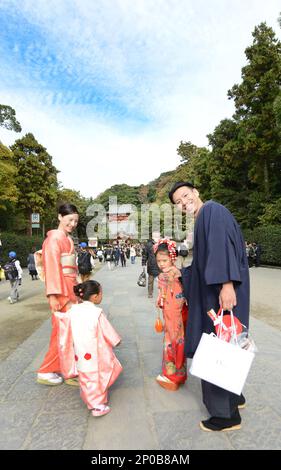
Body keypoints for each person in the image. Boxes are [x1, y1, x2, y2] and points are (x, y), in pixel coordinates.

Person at [167, 181, 249, 432]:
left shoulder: (211, 211)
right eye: (178, 203)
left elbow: (221, 252)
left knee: (217, 345)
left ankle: (226, 415)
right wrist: (181, 273)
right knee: (229, 341)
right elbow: (205, 262)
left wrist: (226, 284)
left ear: (196, 192)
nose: (183, 203)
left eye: (185, 195)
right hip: (218, 289)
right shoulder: (205, 216)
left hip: (222, 290)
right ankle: (234, 397)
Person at [37, 203, 80, 387]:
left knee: (69, 331)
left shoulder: (67, 239)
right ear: (59, 217)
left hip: (70, 285)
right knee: (61, 331)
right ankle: (46, 370)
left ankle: (69, 369)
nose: (73, 223)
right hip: (61, 288)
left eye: (76, 220)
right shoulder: (54, 238)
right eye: (70, 219)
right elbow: (52, 267)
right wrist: (53, 295)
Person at [69, 280, 123, 417]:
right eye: (101, 293)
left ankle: (89, 398)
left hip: (79, 349)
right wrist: (116, 340)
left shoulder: (73, 310)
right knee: (98, 376)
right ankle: (97, 406)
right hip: (94, 350)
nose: (101, 296)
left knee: (85, 374)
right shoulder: (96, 313)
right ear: (94, 297)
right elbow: (107, 330)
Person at [154, 239, 188, 391]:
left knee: (170, 342)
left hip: (171, 313)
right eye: (159, 260)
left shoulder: (164, 276)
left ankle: (171, 377)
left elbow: (165, 296)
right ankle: (180, 374)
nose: (161, 264)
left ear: (172, 258)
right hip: (179, 312)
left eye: (164, 260)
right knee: (180, 341)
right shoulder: (178, 271)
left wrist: (161, 300)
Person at [142, 232, 161, 298]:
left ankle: (161, 293)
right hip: (151, 265)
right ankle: (150, 293)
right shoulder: (148, 244)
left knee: (161, 280)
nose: (158, 237)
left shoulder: (161, 244)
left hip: (160, 265)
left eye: (158, 236)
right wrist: (143, 263)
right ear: (153, 237)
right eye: (156, 236)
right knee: (150, 281)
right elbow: (145, 255)